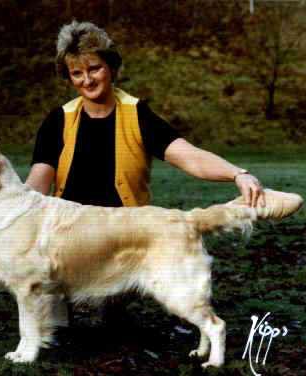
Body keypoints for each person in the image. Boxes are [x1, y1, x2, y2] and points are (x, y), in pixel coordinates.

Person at [25, 20, 266, 325]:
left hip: (123, 242)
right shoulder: (57, 120)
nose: (87, 80)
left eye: (94, 68)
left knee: (98, 323)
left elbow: (189, 156)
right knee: (55, 324)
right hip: (67, 240)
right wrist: (11, 211)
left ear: (111, 67)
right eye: (77, 73)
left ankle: (107, 299)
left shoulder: (138, 115)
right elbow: (37, 182)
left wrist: (237, 174)